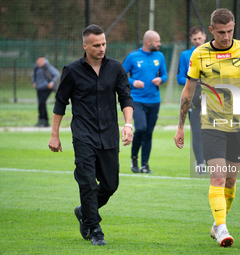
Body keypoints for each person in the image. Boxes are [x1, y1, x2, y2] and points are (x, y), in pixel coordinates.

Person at [174, 8, 240, 247]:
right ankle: (223, 229)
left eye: (230, 31)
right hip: (211, 123)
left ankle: (216, 223)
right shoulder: (200, 54)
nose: (226, 36)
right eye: (221, 32)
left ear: (234, 27)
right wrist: (180, 126)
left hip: (238, 124)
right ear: (211, 30)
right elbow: (188, 91)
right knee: (217, 177)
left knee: (231, 181)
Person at [48, 24, 133, 245]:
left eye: (104, 43)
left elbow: (125, 97)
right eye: (96, 45)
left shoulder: (116, 68)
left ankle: (84, 211)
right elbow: (60, 103)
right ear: (85, 46)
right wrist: (54, 135)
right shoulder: (72, 70)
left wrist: (128, 124)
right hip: (83, 135)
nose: (102, 48)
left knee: (110, 185)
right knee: (86, 182)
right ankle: (95, 229)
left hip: (109, 135)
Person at [123, 30, 167, 174]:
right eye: (157, 41)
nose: (159, 44)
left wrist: (161, 79)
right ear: (148, 42)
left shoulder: (159, 56)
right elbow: (121, 75)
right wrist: (133, 82)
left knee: (148, 133)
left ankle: (145, 165)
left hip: (154, 100)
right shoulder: (133, 56)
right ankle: (134, 158)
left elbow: (165, 74)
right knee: (140, 128)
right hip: (137, 100)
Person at [177, 26, 207, 174]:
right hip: (194, 100)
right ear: (191, 40)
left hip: (213, 99)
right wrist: (195, 81)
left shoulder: (212, 53)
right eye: (194, 39)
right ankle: (200, 163)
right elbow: (180, 77)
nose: (197, 41)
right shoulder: (185, 55)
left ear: (205, 37)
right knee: (197, 132)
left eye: (199, 38)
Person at [32, 56, 60, 127]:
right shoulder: (36, 67)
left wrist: (52, 82)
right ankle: (43, 121)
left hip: (47, 87)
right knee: (41, 104)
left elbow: (57, 74)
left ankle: (43, 120)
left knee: (42, 102)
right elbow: (33, 75)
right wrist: (34, 82)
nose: (39, 63)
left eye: (41, 61)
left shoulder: (48, 67)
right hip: (39, 88)